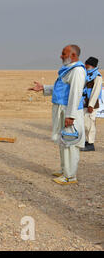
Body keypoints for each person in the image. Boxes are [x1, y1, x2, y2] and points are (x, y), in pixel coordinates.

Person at [29, 45, 86, 185]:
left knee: (70, 142)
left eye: (63, 54)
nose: (61, 56)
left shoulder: (77, 71)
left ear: (73, 55)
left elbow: (75, 93)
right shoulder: (68, 70)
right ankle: (64, 170)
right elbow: (62, 88)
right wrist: (44, 88)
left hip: (69, 112)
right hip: (63, 110)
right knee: (63, 141)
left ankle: (70, 176)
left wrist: (70, 116)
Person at [81, 57, 102, 151]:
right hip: (84, 102)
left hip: (91, 105)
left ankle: (90, 143)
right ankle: (86, 140)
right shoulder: (86, 75)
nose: (85, 66)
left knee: (90, 123)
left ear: (92, 65)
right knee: (85, 123)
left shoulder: (97, 76)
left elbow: (96, 92)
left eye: (87, 65)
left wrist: (91, 105)